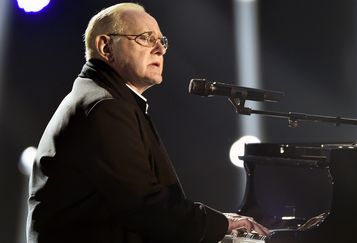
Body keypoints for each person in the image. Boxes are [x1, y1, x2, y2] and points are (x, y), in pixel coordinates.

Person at [26, 2, 269, 243]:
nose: (159, 50)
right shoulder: (104, 107)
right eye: (145, 38)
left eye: (162, 41)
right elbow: (145, 206)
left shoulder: (106, 99)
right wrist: (222, 224)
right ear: (106, 47)